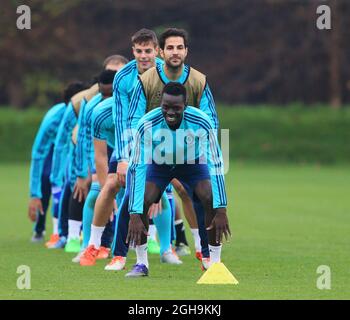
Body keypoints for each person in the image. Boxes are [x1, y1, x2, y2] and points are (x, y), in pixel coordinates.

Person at [85, 29, 181, 270]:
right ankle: (94, 245)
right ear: (133, 52)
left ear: (157, 51)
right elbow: (123, 119)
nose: (143, 56)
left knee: (162, 192)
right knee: (110, 185)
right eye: (138, 51)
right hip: (131, 138)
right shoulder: (122, 79)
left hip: (161, 139)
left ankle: (169, 248)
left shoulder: (167, 73)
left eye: (148, 50)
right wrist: (125, 157)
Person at [126, 27, 219, 265]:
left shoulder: (199, 80)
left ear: (186, 51)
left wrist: (196, 146)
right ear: (161, 51)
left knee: (204, 196)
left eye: (180, 47)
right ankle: (132, 258)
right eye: (170, 47)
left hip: (190, 155)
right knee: (140, 198)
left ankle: (205, 253)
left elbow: (212, 122)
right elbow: (134, 119)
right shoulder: (145, 79)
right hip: (155, 153)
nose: (175, 52)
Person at [125, 82, 230, 277]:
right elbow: (136, 167)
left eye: (176, 108)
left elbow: (216, 164)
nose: (170, 112)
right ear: (160, 104)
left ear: (186, 105)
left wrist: (221, 209)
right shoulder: (147, 123)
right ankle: (141, 264)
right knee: (143, 200)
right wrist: (134, 212)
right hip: (160, 165)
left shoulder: (201, 121)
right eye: (166, 107)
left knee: (209, 198)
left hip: (192, 163)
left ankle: (214, 263)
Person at [49, 55, 127, 249]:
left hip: (123, 144)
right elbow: (79, 136)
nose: (114, 78)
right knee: (86, 187)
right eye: (110, 72)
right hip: (94, 145)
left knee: (138, 190)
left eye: (119, 74)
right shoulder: (86, 100)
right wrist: (82, 171)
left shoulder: (135, 91)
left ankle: (141, 240)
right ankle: (76, 239)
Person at [28, 82, 86, 244]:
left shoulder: (89, 112)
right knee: (48, 179)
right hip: (53, 149)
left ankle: (78, 229)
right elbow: (38, 153)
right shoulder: (53, 120)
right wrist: (34, 193)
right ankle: (40, 228)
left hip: (75, 148)